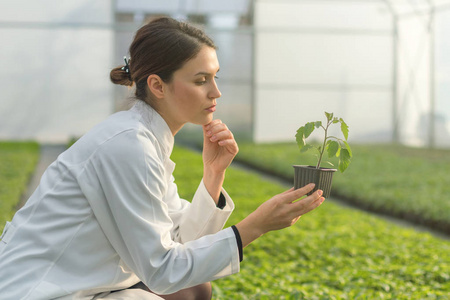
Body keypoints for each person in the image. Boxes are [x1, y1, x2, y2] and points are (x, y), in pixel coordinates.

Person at [0, 17, 325, 300]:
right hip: (41, 291)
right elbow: (163, 270)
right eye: (201, 80)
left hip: (82, 283)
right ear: (157, 85)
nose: (216, 92)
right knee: (181, 291)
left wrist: (213, 175)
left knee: (195, 290)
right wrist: (256, 226)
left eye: (216, 77)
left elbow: (177, 239)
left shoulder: (146, 138)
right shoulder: (128, 145)